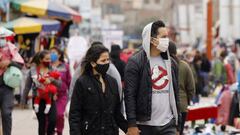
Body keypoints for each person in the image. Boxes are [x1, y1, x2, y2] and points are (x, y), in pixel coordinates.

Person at [124, 20, 180, 135]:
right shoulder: (135, 62)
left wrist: (177, 123)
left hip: (168, 124)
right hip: (145, 126)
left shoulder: (171, 63)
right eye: (163, 37)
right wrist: (131, 124)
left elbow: (176, 93)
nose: (167, 41)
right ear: (152, 40)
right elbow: (129, 95)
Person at [69, 45, 127, 135]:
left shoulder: (113, 82)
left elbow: (117, 113)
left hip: (110, 132)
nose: (107, 63)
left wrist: (129, 129)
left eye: (108, 60)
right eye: (103, 60)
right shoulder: (82, 82)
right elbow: (75, 114)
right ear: (93, 63)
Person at [21, 50, 61, 135]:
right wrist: (23, 101)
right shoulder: (33, 71)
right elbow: (27, 87)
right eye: (46, 59)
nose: (49, 61)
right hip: (37, 100)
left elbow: (60, 84)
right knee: (42, 123)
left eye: (50, 59)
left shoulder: (53, 69)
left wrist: (51, 80)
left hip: (50, 99)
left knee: (53, 120)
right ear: (40, 60)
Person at [169, 41, 195, 135]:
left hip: (166, 108)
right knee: (179, 132)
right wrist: (186, 100)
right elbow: (191, 88)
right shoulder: (184, 66)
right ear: (175, 52)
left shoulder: (162, 66)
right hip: (182, 106)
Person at [0, 37, 23, 135]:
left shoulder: (11, 49)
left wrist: (9, 62)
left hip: (7, 87)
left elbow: (20, 65)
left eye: (2, 37)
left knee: (6, 113)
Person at [50, 47, 71, 135]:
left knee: (59, 115)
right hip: (49, 95)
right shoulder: (47, 65)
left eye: (54, 52)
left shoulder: (65, 66)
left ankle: (59, 132)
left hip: (62, 96)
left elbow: (70, 81)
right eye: (50, 52)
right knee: (49, 118)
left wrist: (71, 96)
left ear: (59, 54)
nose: (52, 54)